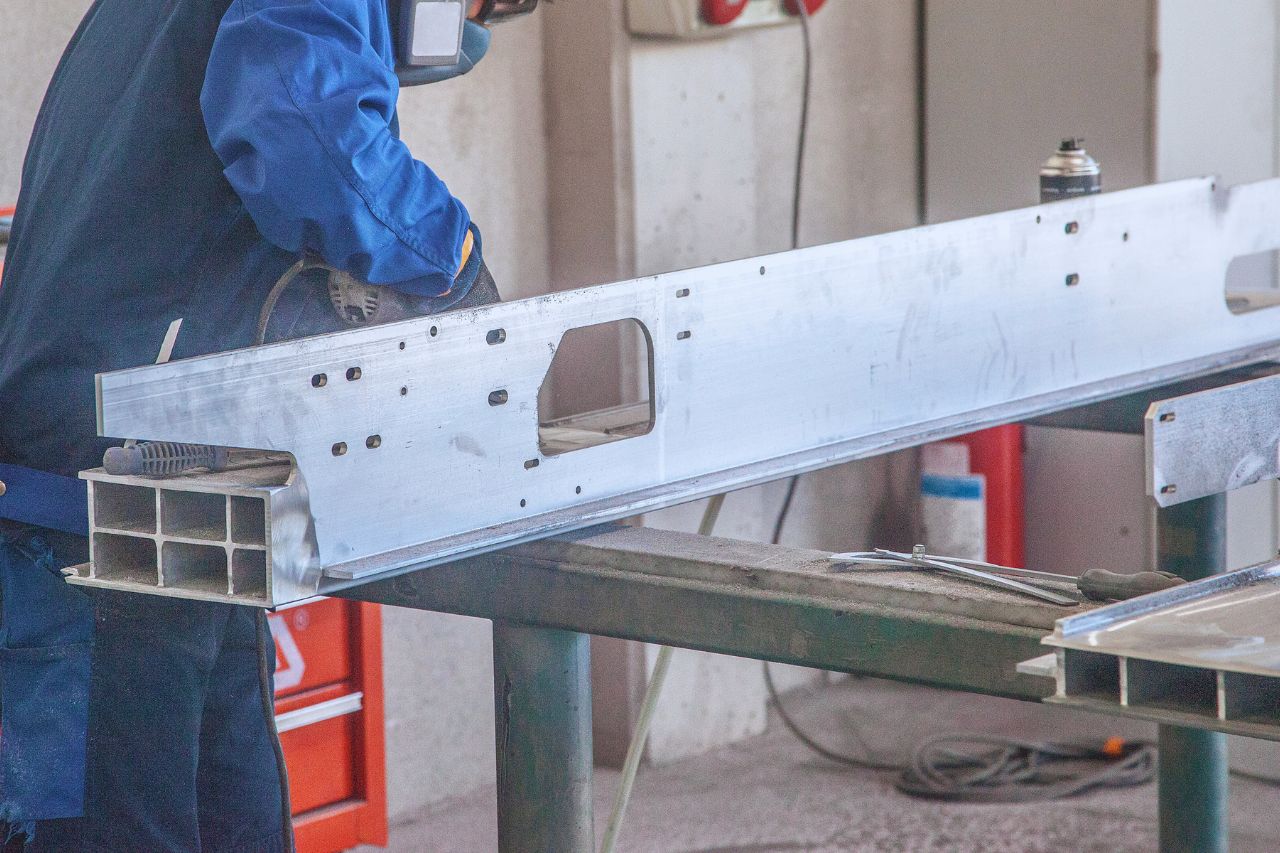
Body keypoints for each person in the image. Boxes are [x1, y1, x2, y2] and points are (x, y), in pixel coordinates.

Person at [0, 1, 537, 849]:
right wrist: (453, 262)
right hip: (101, 521)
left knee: (238, 825)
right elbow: (306, 132)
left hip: (192, 512)